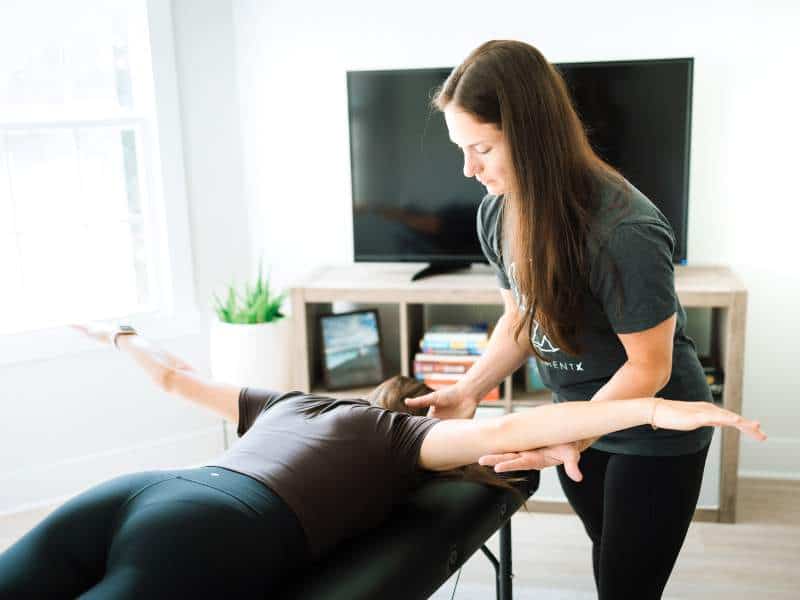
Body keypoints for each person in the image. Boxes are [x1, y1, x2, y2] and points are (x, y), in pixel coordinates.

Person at [0, 323, 763, 598]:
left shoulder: (292, 401)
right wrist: (657, 408)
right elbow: (526, 424)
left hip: (144, 490)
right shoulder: (404, 440)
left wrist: (120, 335)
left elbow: (177, 380)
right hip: (215, 528)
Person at [404, 40, 737, 598]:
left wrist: (572, 433)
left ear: (531, 135)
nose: (468, 168)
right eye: (461, 149)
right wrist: (469, 389)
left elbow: (650, 367)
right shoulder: (498, 212)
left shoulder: (623, 229)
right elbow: (520, 319)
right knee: (608, 556)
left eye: (482, 148)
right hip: (576, 422)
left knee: (627, 586)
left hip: (653, 434)